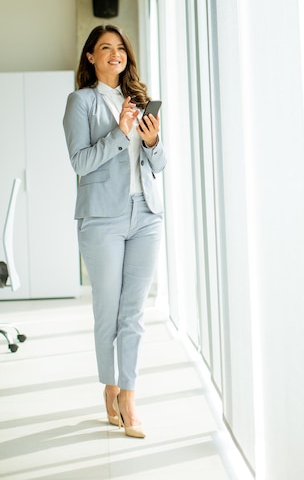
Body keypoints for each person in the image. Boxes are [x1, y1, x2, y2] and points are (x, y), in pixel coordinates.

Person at [63, 24, 167, 438]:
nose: (114, 54)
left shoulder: (139, 100)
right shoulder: (81, 102)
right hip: (102, 219)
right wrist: (121, 134)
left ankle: (128, 394)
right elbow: (79, 163)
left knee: (134, 313)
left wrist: (154, 141)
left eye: (120, 48)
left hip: (146, 214)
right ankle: (110, 386)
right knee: (108, 310)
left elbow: (158, 167)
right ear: (90, 57)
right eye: (104, 48)